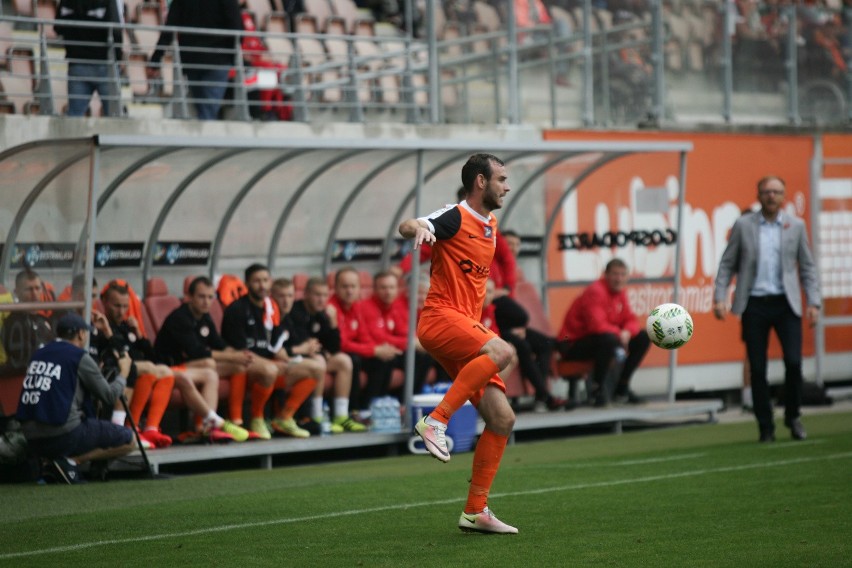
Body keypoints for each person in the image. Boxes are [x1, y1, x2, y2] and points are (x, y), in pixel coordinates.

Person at [398, 153, 518, 535]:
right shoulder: (455, 215)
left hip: (463, 325)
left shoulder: (491, 223)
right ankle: (436, 421)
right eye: (500, 178)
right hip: (440, 318)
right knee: (503, 352)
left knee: (502, 418)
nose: (507, 185)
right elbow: (409, 224)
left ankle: (474, 512)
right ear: (480, 181)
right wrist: (416, 227)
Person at [713, 175, 821, 443]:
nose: (771, 196)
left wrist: (814, 302)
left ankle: (793, 415)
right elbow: (727, 264)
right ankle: (765, 425)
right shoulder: (743, 225)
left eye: (777, 191)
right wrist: (719, 297)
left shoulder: (795, 226)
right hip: (755, 304)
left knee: (794, 364)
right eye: (766, 191)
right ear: (759, 195)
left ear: (784, 196)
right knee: (757, 368)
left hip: (786, 303)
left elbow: (807, 266)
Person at [16, 313, 135, 484]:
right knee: (129, 440)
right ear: (81, 334)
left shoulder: (38, 354)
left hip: (31, 438)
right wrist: (124, 372)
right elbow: (109, 396)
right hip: (64, 435)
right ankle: (71, 462)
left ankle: (52, 463)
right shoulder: (78, 356)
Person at [221, 264, 318, 439]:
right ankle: (257, 418)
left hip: (270, 364)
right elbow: (241, 351)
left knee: (314, 368)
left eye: (265, 280)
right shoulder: (237, 310)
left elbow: (274, 343)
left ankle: (284, 418)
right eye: (256, 281)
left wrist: (287, 355)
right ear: (247, 283)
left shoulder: (271, 307)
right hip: (243, 365)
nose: (262, 285)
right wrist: (272, 362)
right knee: (270, 369)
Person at [152, 276, 251, 443]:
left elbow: (218, 344)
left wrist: (241, 355)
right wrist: (233, 356)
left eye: (210, 297)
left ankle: (229, 421)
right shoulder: (180, 318)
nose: (206, 302)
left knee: (238, 367)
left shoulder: (204, 316)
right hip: (169, 367)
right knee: (209, 364)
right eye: (201, 296)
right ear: (189, 297)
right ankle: (208, 425)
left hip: (191, 367)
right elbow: (197, 352)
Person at [271, 278, 365, 433]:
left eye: (324, 295)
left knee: (344, 360)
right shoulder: (295, 311)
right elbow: (302, 343)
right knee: (319, 361)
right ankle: (316, 415)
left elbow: (334, 347)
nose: (321, 299)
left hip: (308, 357)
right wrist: (320, 352)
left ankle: (341, 416)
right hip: (297, 359)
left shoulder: (322, 315)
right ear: (306, 294)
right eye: (317, 295)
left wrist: (333, 322)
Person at [557, 258, 651, 406]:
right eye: (615, 274)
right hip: (571, 344)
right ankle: (597, 390)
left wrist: (627, 331)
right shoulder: (596, 291)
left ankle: (622, 387)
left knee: (643, 337)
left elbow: (631, 319)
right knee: (609, 340)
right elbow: (597, 326)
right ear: (605, 274)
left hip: (600, 340)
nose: (619, 278)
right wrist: (620, 334)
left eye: (622, 274)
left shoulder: (620, 293)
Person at [96, 281, 175, 448]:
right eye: (117, 306)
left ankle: (151, 428)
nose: (121, 311)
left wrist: (139, 334)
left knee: (165, 372)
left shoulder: (127, 327)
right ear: (105, 303)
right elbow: (112, 356)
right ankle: (130, 426)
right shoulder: (101, 326)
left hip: (134, 370)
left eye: (125, 306)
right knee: (148, 369)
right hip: (114, 371)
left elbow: (153, 356)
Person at [148, 0, 243, 120]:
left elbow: (170, 27)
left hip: (192, 58)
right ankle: (205, 135)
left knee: (203, 108)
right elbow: (236, 27)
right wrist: (232, 57)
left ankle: (203, 134)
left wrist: (155, 59)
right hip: (218, 59)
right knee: (208, 109)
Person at [330, 267, 403, 413]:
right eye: (345, 286)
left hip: (353, 351)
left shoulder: (355, 307)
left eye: (353, 286)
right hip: (334, 353)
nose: (349, 291)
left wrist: (378, 350)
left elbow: (364, 336)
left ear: (359, 289)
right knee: (354, 360)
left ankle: (373, 408)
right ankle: (354, 410)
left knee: (384, 359)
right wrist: (373, 350)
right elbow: (340, 344)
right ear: (336, 288)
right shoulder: (331, 309)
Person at [361, 270, 435, 398]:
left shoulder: (390, 306)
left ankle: (412, 399)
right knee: (387, 359)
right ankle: (371, 404)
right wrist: (409, 342)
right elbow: (378, 337)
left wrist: (413, 342)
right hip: (371, 351)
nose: (388, 291)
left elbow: (404, 331)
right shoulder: (370, 306)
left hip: (391, 348)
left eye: (391, 288)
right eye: (383, 288)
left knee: (426, 356)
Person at [54, 0, 124, 117]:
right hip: (104, 64)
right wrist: (118, 58)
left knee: (74, 117)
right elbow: (116, 32)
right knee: (114, 116)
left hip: (77, 63)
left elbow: (58, 27)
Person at [1, 270, 55, 374]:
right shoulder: (13, 323)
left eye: (37, 288)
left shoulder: (45, 319)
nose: (34, 293)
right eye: (29, 289)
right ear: (16, 292)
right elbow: (21, 361)